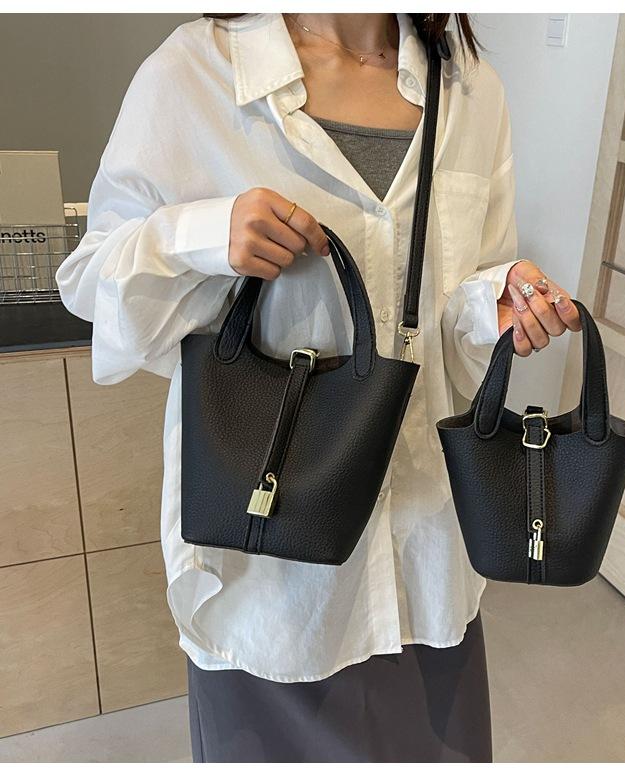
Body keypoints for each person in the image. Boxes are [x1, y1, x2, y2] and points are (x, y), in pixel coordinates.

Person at [57, 12, 582, 763]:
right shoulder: (197, 72)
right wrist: (206, 235)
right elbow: (90, 280)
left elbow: (460, 288)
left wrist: (489, 301)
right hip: (268, 578)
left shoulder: (469, 87)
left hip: (425, 560)